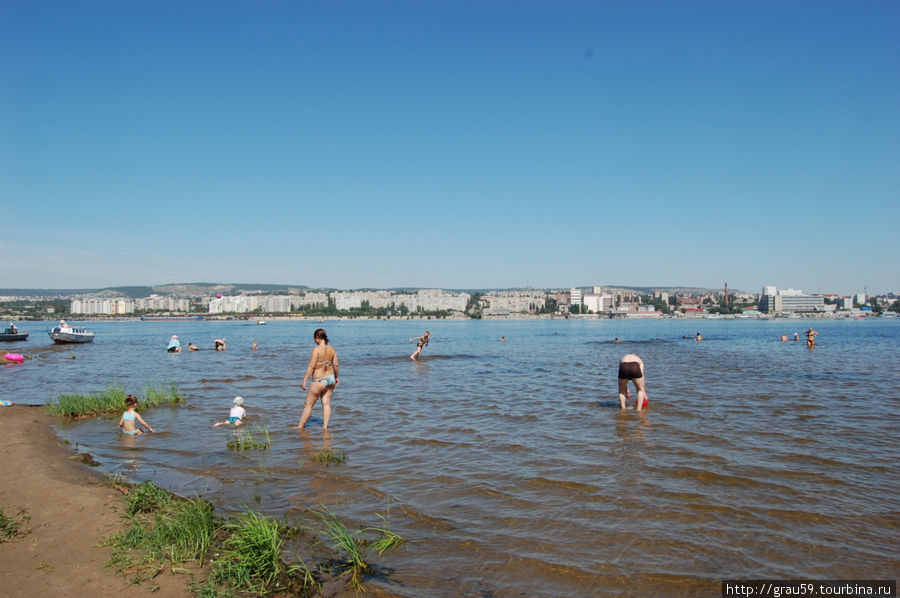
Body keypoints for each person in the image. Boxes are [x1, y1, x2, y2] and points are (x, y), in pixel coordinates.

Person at [299, 328, 339, 430]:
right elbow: (336, 365)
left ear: (317, 337)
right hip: (330, 379)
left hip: (318, 380)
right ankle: (325, 427)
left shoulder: (316, 350)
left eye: (315, 338)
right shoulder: (332, 349)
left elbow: (311, 366)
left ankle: (300, 427)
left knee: (308, 404)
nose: (315, 341)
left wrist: (304, 380)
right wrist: (336, 377)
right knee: (326, 403)